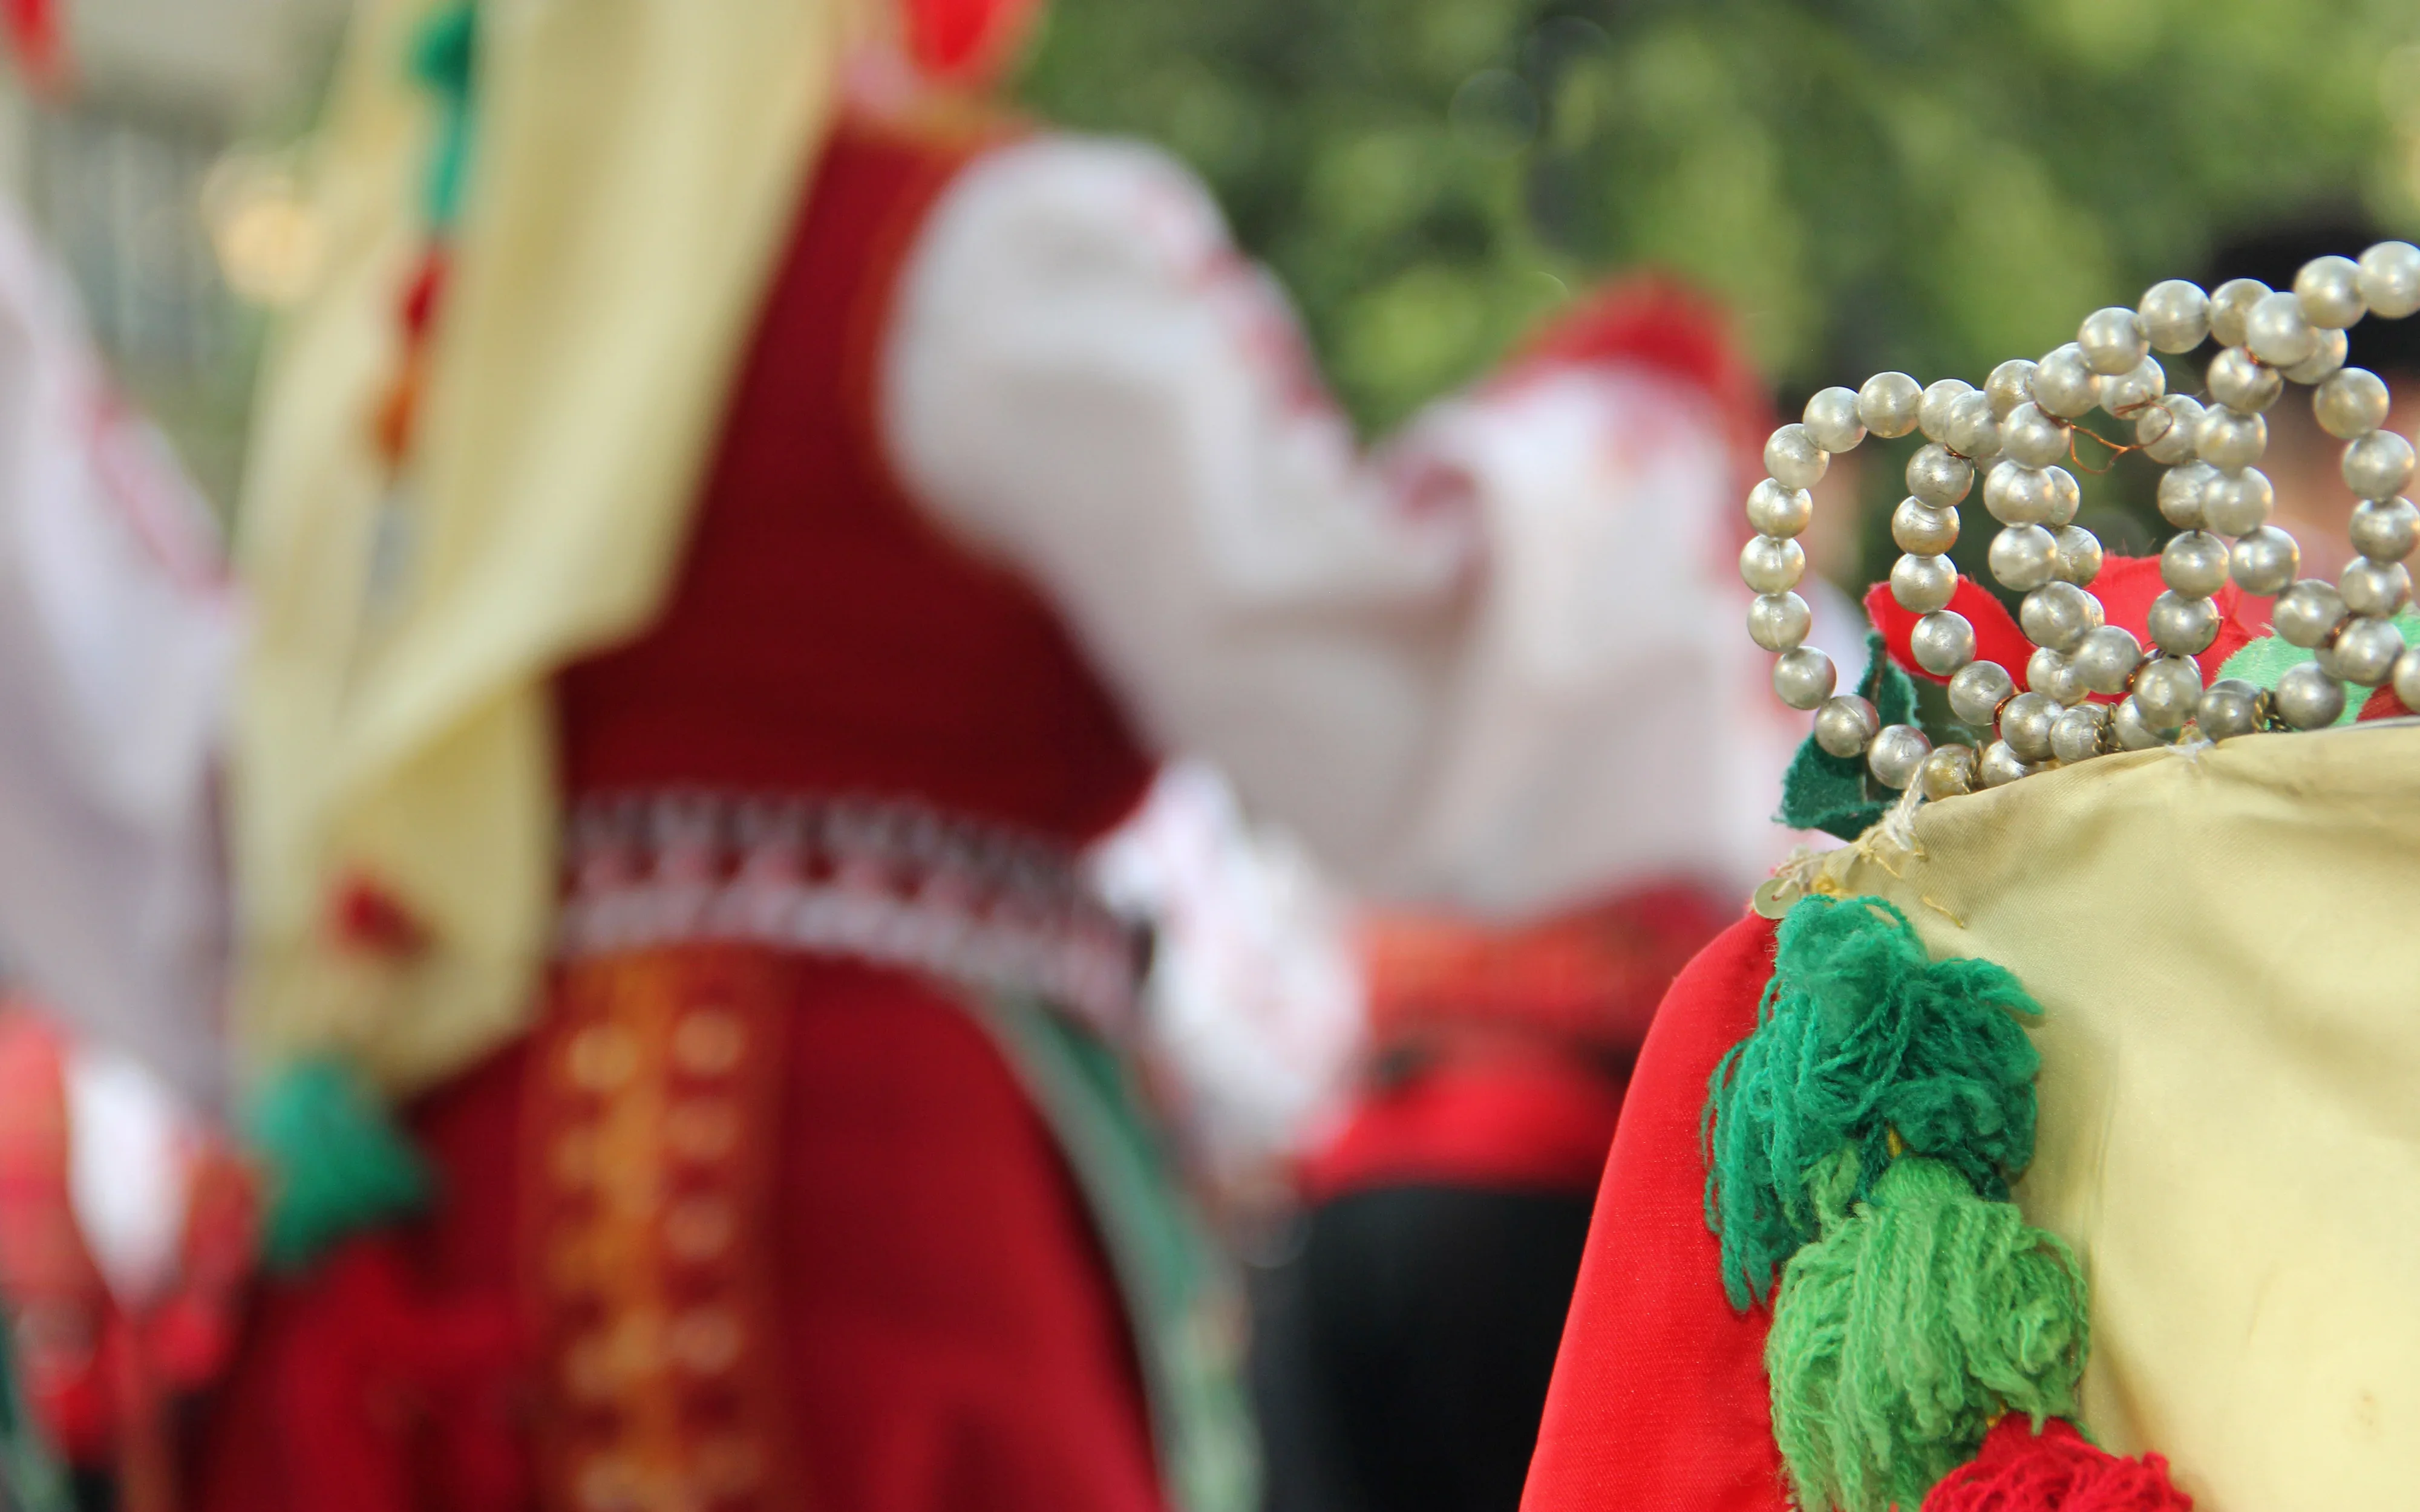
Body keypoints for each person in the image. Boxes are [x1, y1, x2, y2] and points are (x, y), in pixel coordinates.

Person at [186, 0, 1835, 1508]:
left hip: (458, 1219)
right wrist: (1625, 437)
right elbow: (1374, 713)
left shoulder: (427, 328)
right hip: (851, 1219)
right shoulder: (970, 244)